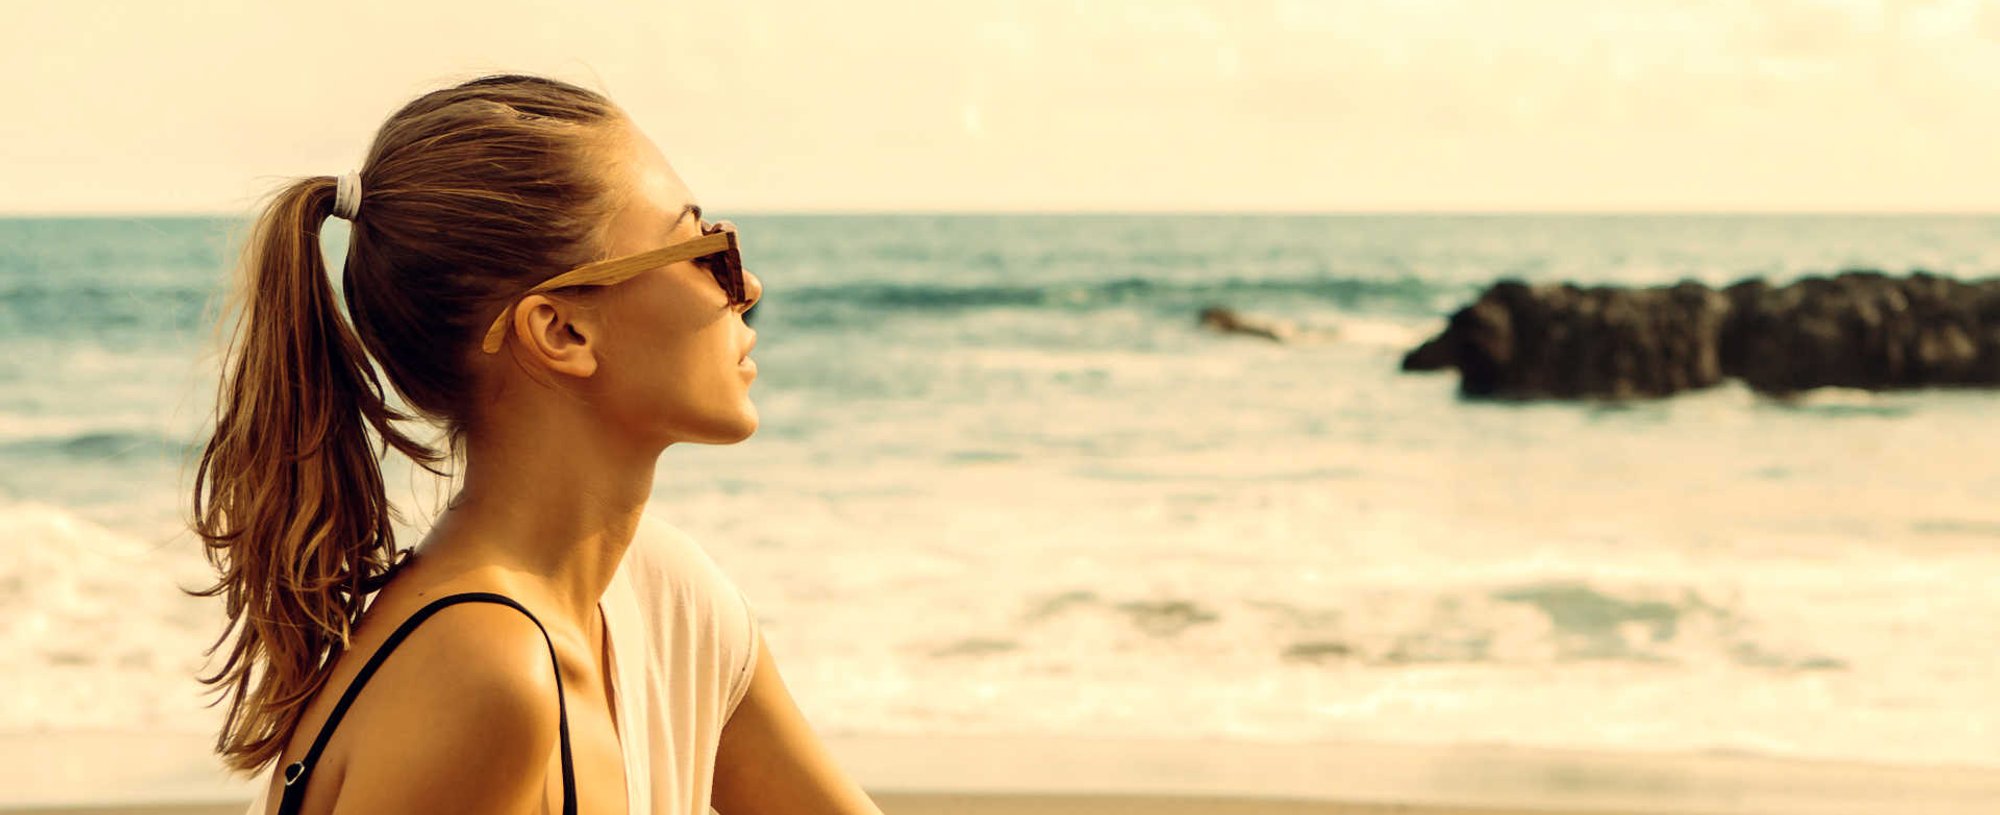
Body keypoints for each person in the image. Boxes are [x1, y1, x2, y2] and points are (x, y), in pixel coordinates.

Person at [189, 74, 883, 814]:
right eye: (702, 247)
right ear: (562, 331)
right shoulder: (484, 674)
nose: (745, 285)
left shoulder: (665, 596)